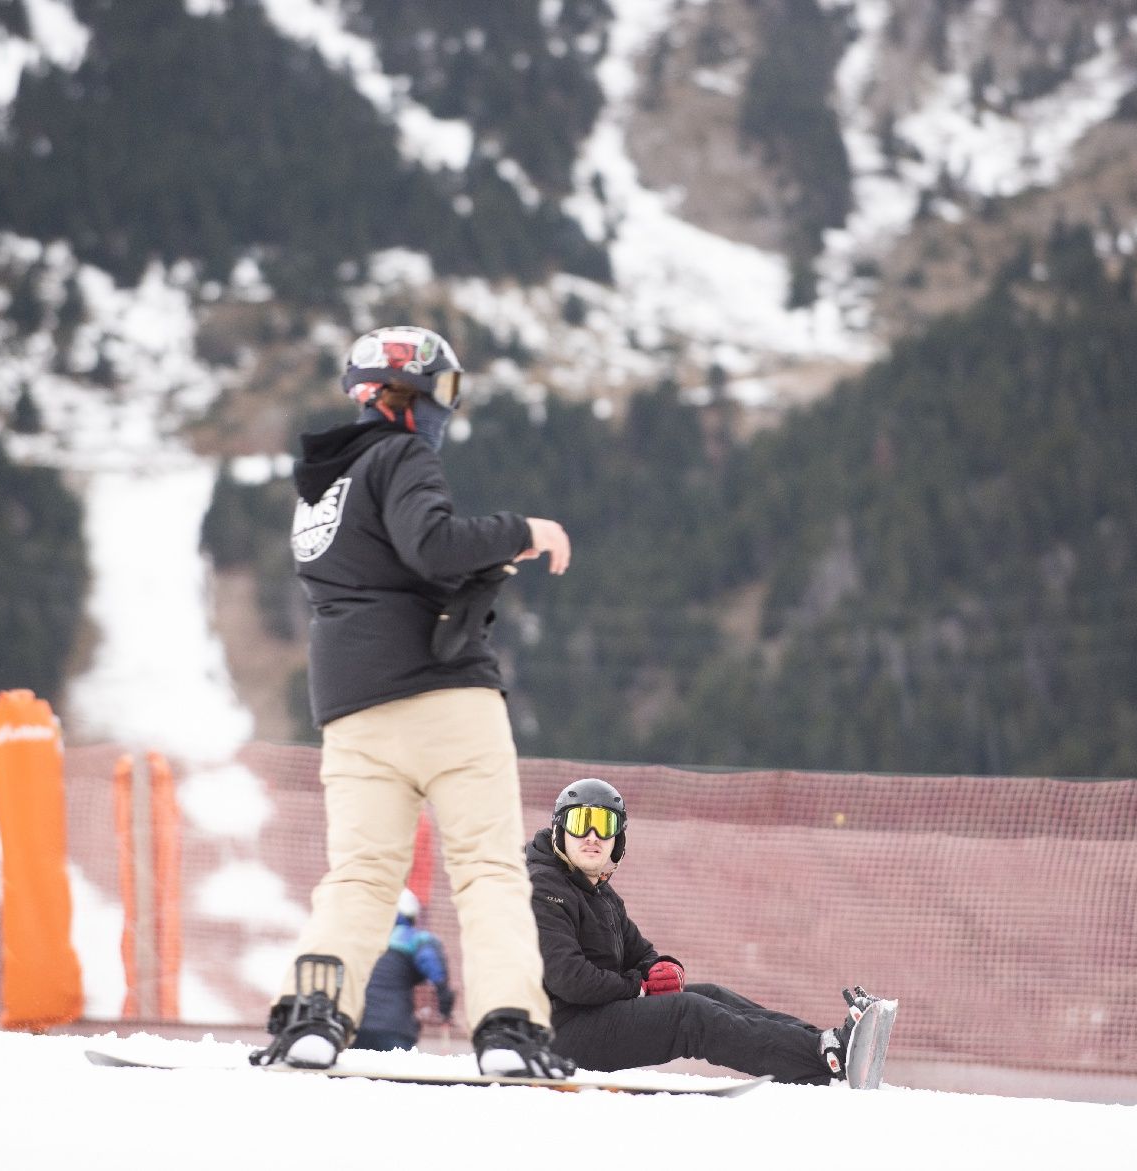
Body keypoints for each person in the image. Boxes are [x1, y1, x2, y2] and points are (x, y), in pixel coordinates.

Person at [252, 325, 574, 1079]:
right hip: (443, 695)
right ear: (415, 392)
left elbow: (377, 570)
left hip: (351, 708)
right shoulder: (401, 453)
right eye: (448, 392)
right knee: (489, 869)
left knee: (361, 873)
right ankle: (508, 1031)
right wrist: (523, 531)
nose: (447, 411)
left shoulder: (320, 488)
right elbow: (429, 543)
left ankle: (314, 1014)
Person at [527, 777, 882, 1085]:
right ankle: (821, 1057)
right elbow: (568, 979)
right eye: (580, 822)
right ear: (561, 828)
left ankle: (825, 1044)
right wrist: (638, 985)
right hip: (556, 1034)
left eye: (604, 824)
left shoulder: (598, 892)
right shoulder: (544, 888)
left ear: (617, 839)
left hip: (589, 1018)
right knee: (689, 1015)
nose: (592, 836)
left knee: (711, 994)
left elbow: (641, 953)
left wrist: (661, 968)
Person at [355, 888, 457, 1052]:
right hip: (395, 1028)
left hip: (356, 1025)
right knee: (394, 1077)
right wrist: (445, 1005)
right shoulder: (415, 939)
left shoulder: (363, 938)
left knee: (352, 1077)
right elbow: (436, 972)